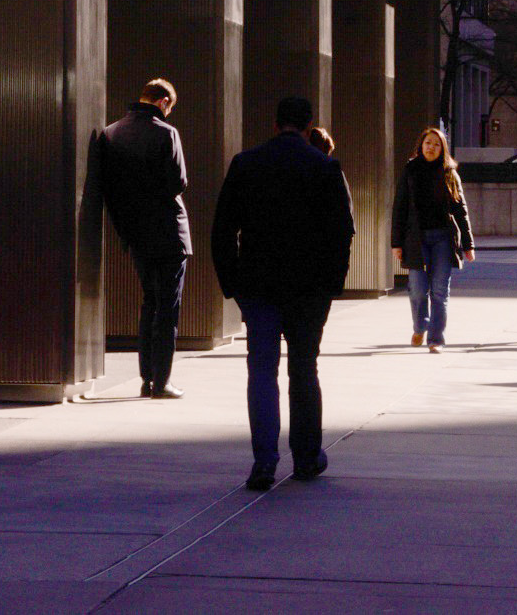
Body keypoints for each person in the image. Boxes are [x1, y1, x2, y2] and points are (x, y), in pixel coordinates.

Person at [212, 95, 355, 492]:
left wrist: (232, 284)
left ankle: (264, 461)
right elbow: (342, 233)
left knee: (261, 370)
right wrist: (332, 285)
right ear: (309, 127)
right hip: (309, 289)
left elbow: (223, 230)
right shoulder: (325, 167)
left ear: (275, 124)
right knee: (304, 369)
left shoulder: (246, 164)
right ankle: (306, 457)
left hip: (258, 285)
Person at [94, 78, 192, 399]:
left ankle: (147, 378)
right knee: (168, 308)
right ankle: (162, 382)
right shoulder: (166, 133)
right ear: (164, 102)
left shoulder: (111, 133)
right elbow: (178, 182)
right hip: (169, 232)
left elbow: (109, 188)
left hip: (136, 233)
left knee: (149, 302)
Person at [389, 127, 476, 352]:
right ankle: (420, 327)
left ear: (442, 149)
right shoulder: (411, 170)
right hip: (416, 239)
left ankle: (436, 338)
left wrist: (468, 244)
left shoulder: (450, 173)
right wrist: (396, 243)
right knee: (418, 289)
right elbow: (400, 207)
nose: (431, 147)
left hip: (443, 239)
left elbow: (461, 210)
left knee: (439, 290)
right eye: (428, 143)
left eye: (437, 144)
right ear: (421, 145)